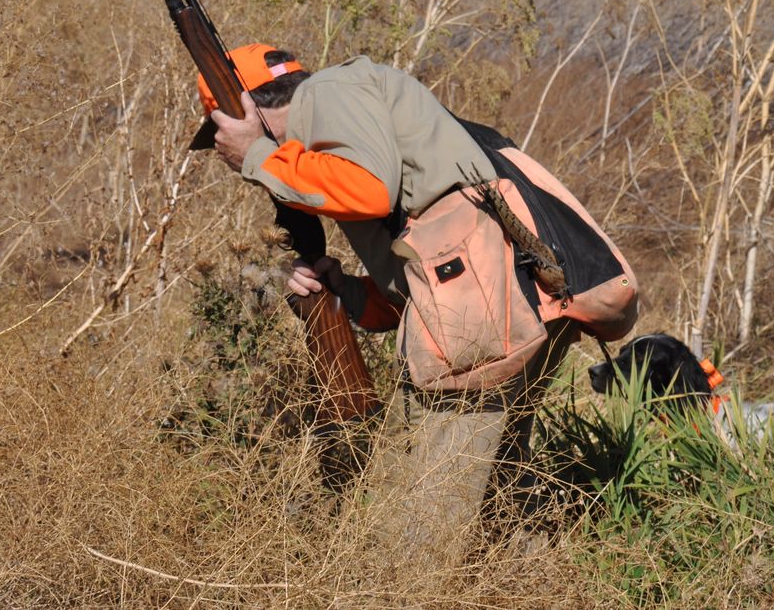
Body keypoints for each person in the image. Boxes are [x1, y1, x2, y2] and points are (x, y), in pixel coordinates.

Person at [195, 43, 637, 562]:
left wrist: (257, 155)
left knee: (413, 517)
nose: (223, 148)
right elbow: (418, 269)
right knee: (498, 496)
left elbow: (370, 192)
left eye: (222, 130)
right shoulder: (358, 117)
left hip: (484, 313)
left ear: (245, 108)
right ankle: (527, 586)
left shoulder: (325, 93)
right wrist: (346, 289)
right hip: (511, 305)